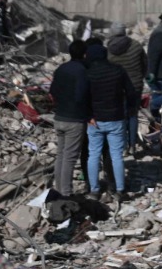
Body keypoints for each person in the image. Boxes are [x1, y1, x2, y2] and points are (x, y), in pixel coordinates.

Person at [84, 40, 139, 200]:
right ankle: (120, 190)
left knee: (93, 154)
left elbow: (83, 97)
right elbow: (131, 92)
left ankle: (94, 190)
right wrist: (130, 109)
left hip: (95, 120)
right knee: (116, 155)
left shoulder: (88, 73)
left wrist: (88, 116)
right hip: (116, 118)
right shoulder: (118, 70)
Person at [50, 40, 91, 198]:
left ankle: (59, 189)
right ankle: (66, 193)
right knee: (69, 157)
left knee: (61, 155)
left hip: (59, 116)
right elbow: (81, 95)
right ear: (84, 54)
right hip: (74, 119)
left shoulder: (61, 68)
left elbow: (53, 90)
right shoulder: (82, 71)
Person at [106, 26, 148, 149]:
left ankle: (123, 147)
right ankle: (132, 145)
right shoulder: (136, 45)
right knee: (133, 114)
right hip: (135, 85)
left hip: (117, 87)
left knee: (120, 116)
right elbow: (145, 64)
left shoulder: (108, 49)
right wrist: (141, 77)